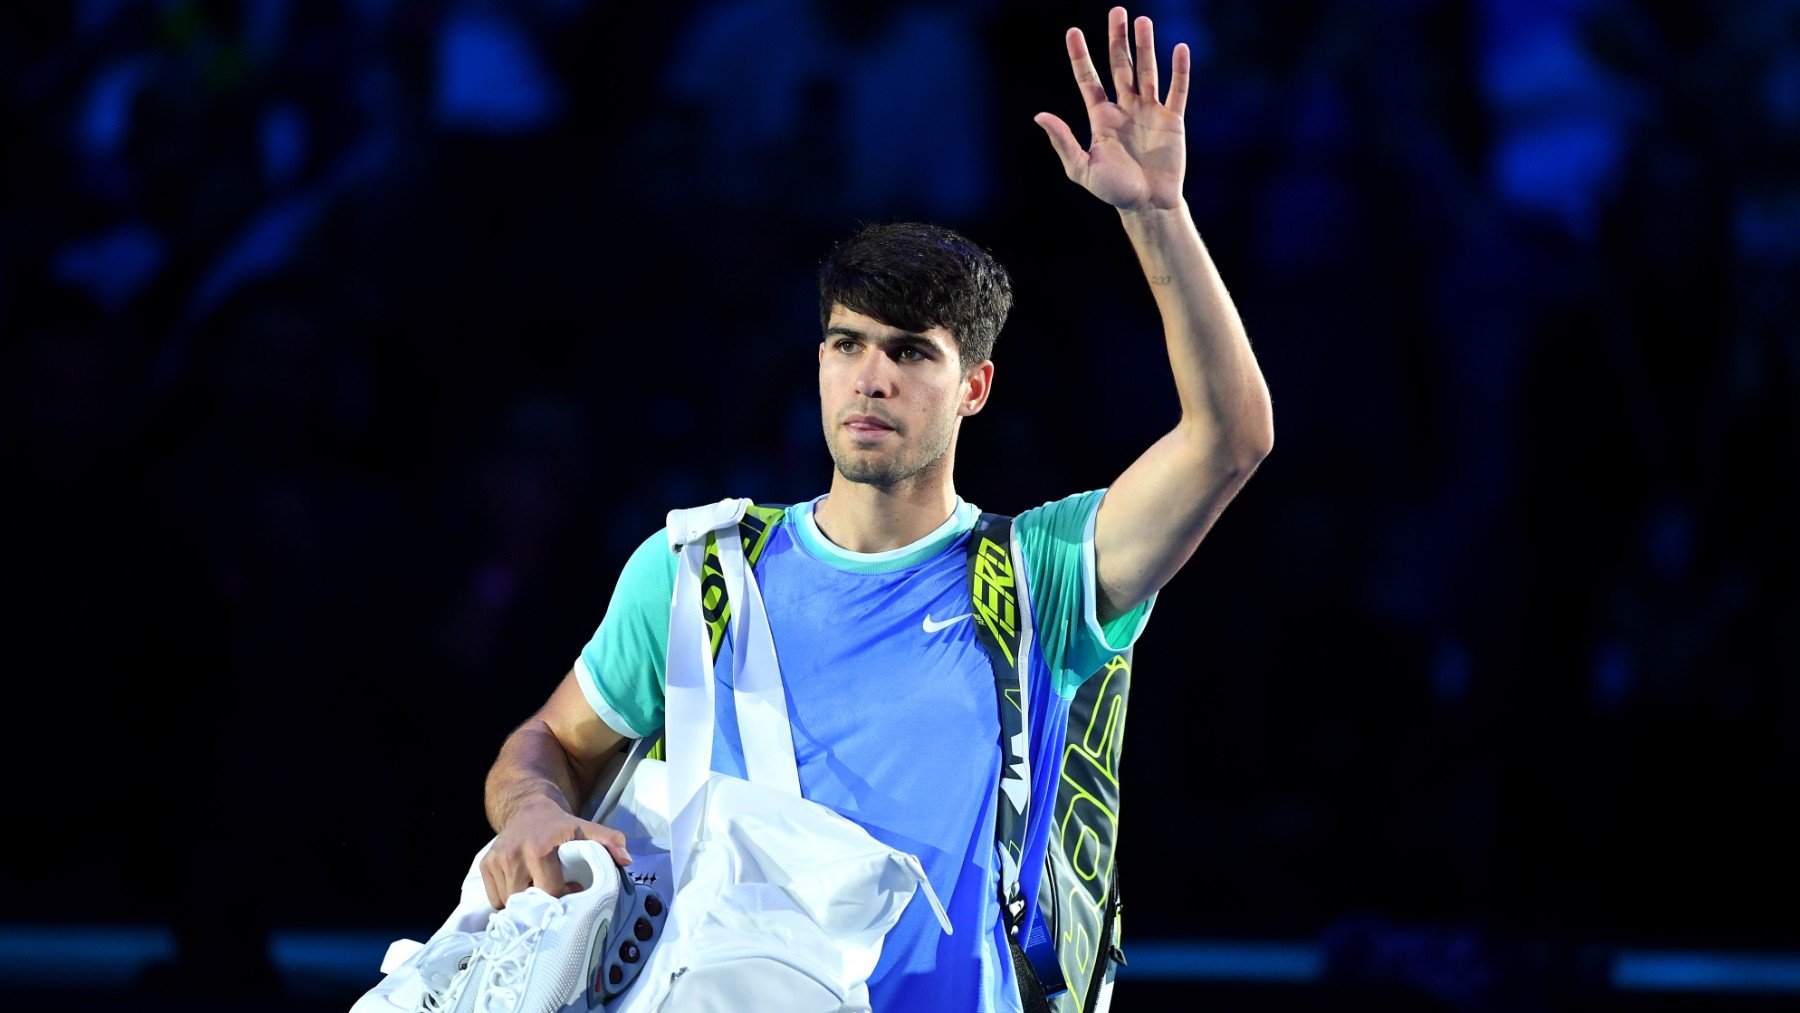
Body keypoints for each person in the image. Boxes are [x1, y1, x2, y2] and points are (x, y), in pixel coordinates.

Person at [477, 7, 1273, 1009]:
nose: (872, 377)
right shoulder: (697, 574)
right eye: (848, 344)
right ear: (817, 363)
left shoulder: (1046, 575)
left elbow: (1230, 439)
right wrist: (534, 812)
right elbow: (543, 744)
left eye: (910, 352)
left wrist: (1158, 216)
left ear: (974, 386)